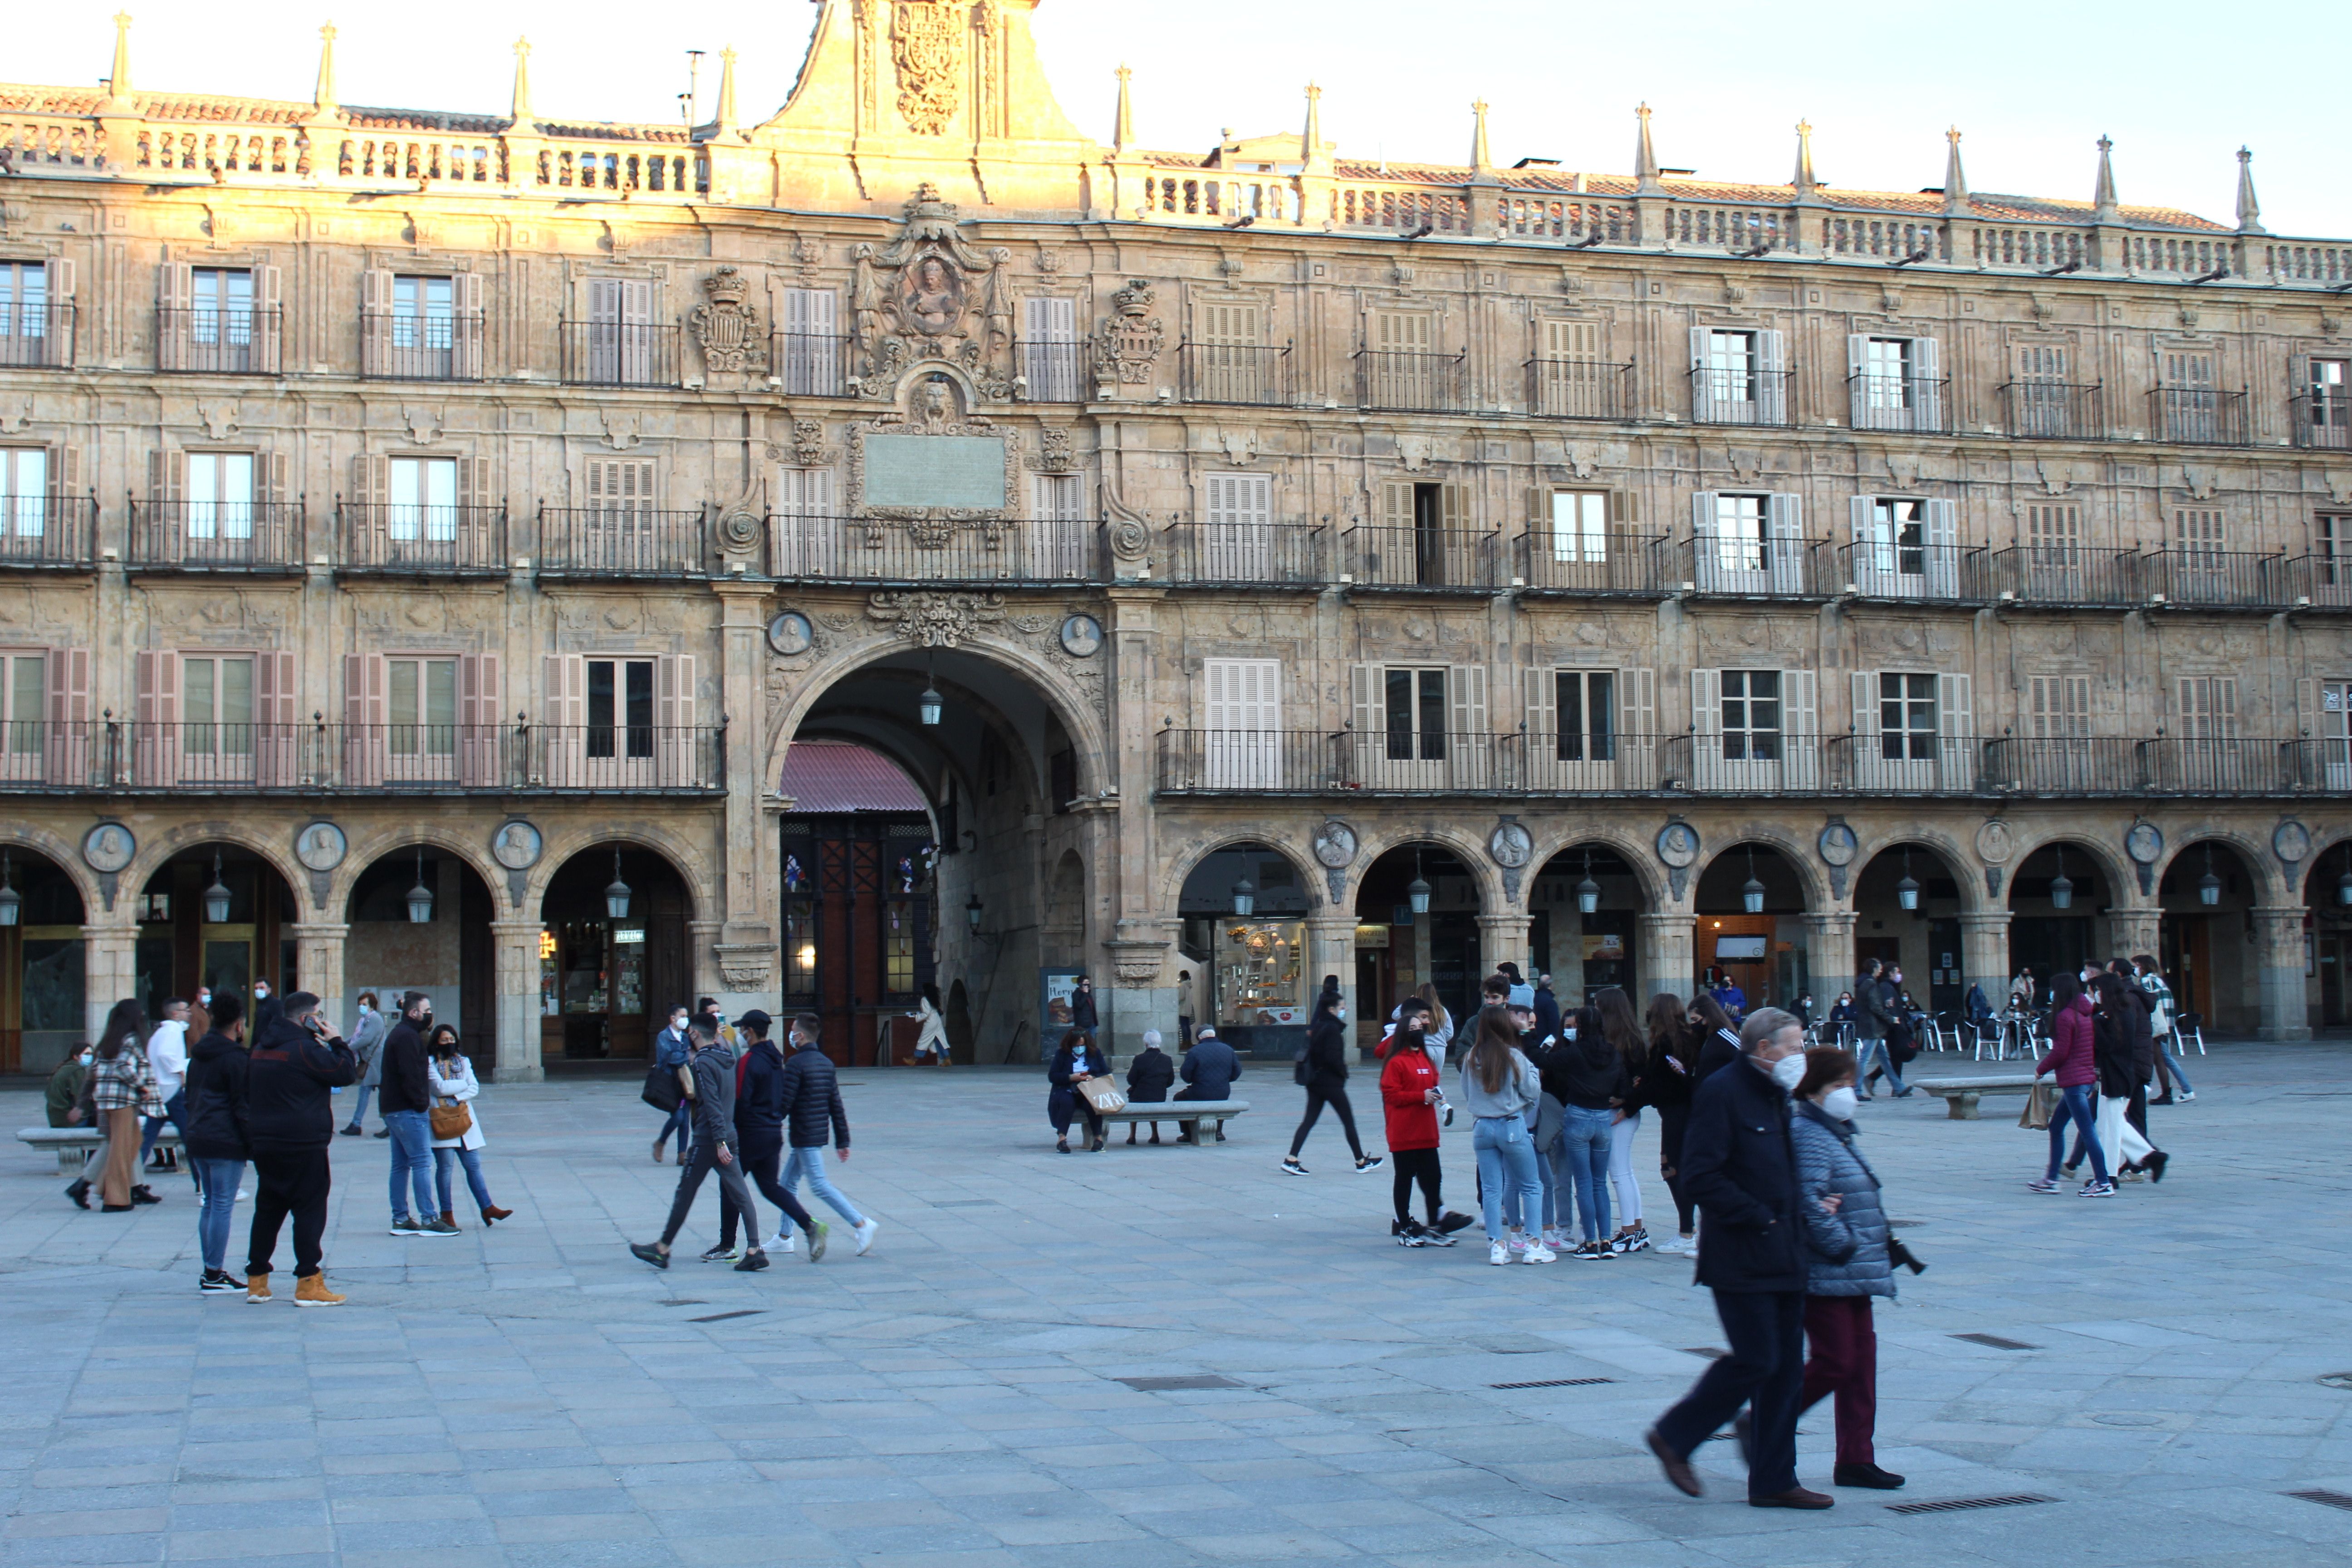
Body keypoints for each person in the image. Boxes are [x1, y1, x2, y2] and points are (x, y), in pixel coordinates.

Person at [1644, 1006, 1832, 1510]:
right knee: (1757, 1358)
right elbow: (1701, 1174)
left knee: (1786, 1370)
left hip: (1787, 1252)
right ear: (1765, 1049)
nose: (1802, 1054)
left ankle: (1775, 1479)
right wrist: (1761, 1217)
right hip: (1743, 1254)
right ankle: (1675, 1436)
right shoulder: (1724, 1091)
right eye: (1795, 1046)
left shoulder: (1780, 1095)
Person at [1787, 1046, 1906, 1491]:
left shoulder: (1835, 1130)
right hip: (1829, 1269)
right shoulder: (1809, 1133)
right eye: (1839, 1085)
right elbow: (1810, 1204)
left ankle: (1857, 1457)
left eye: (1850, 1084)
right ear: (1815, 1088)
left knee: (1861, 1366)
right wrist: (1842, 1246)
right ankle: (1769, 1417)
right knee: (1836, 1361)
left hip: (1856, 1269)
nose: (1848, 1093)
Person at [240, 992, 360, 1304]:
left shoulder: (261, 1049)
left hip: (265, 1141)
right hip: (303, 1142)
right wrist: (336, 1041)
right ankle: (308, 1281)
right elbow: (345, 1073)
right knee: (309, 1209)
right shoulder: (305, 1049)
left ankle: (257, 1281)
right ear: (307, 1018)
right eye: (318, 1015)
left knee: (268, 1209)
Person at [630, 1016, 769, 1271]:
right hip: (730, 1134)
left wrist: (718, 1142)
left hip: (710, 1140)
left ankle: (662, 1249)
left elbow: (713, 1103)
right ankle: (754, 1248)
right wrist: (725, 1138)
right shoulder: (728, 1057)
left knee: (685, 1192)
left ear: (693, 1034)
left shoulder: (704, 1062)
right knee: (740, 1193)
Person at [714, 1011, 827, 1263]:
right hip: (772, 1132)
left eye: (742, 1030)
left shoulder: (749, 1061)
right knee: (770, 1187)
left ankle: (727, 1245)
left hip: (750, 1133)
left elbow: (741, 1100)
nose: (741, 1034)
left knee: (729, 1183)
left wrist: (731, 1132)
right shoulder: (777, 1059)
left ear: (750, 1032)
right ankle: (809, 1225)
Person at [776, 1014, 879, 1253]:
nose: (790, 1034)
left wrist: (765, 1122)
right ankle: (784, 1236)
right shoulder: (825, 1063)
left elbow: (784, 1103)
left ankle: (861, 1224)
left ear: (800, 1036)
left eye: (793, 1030)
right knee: (787, 1184)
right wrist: (843, 1141)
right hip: (815, 1133)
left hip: (805, 1135)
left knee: (820, 1185)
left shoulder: (795, 1064)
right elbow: (836, 1104)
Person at [1460, 1005, 1551, 1265]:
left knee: (1491, 1189)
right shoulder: (1514, 1056)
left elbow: (1468, 1092)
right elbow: (1532, 1091)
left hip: (1482, 1126)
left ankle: (1497, 1245)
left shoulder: (1471, 1057)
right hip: (1511, 1123)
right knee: (1531, 1185)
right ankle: (1534, 1244)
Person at [1379, 1005, 1473, 1245]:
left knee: (1434, 1177)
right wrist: (1420, 1096)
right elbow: (1391, 1095)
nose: (1417, 1032)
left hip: (1427, 1130)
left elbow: (1434, 1085)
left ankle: (1434, 1224)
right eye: (1412, 1029)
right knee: (1405, 1178)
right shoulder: (1396, 1062)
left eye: (1420, 1028)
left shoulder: (1426, 1058)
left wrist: (1441, 1101)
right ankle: (1405, 1227)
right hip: (1404, 1131)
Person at [181, 995, 251, 1293]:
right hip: (225, 1140)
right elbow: (243, 1106)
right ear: (238, 1025)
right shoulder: (236, 1059)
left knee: (211, 1204)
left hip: (198, 1135)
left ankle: (210, 1269)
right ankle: (214, 1273)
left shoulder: (198, 1055)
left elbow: (189, 1097)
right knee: (222, 1204)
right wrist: (254, 1143)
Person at [1548, 1003, 1628, 1260]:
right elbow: (1625, 1087)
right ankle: (1606, 1240)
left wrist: (1529, 1038)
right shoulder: (1614, 1054)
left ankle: (1590, 1242)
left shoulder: (1576, 1052)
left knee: (1582, 1183)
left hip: (1579, 1114)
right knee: (1599, 1183)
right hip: (1603, 1117)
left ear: (1580, 1027)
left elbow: (1546, 1062)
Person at [2029, 973, 2112, 1196]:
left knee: (2088, 1132)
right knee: (2057, 1127)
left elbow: (2061, 1051)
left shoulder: (2065, 1017)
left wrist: (2041, 1069)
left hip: (2074, 1082)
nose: (2052, 994)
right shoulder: (2083, 1014)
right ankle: (2052, 1178)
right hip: (2083, 1079)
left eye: (2054, 990)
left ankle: (2103, 1182)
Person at [2082, 972, 2169, 1184]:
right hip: (2115, 1075)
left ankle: (2109, 1176)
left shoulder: (2120, 1014)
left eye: (2098, 991)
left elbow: (2110, 1045)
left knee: (2111, 1128)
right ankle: (2150, 1156)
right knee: (2110, 1125)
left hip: (2119, 1076)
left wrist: (2096, 1024)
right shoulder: (2111, 1013)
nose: (2096, 996)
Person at [380, 991, 453, 1237]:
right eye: (427, 1009)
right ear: (414, 1013)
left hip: (395, 1109)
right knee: (422, 1162)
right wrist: (421, 1104)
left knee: (400, 1165)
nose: (430, 1014)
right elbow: (411, 1075)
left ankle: (400, 1218)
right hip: (407, 1110)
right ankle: (429, 1218)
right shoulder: (408, 1037)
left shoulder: (402, 1034)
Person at [1283, 992, 1380, 1176]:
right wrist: (1343, 1074)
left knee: (1309, 1121)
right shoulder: (1332, 1029)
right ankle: (1360, 1161)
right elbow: (1333, 1058)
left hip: (1315, 1082)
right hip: (1330, 1083)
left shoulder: (1319, 1025)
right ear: (1332, 1009)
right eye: (1342, 1007)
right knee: (1348, 1121)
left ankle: (1291, 1159)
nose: (1346, 1010)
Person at [426, 1025, 512, 1228]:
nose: (449, 1043)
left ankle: (487, 1207)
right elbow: (438, 1088)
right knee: (445, 1169)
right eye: (444, 1040)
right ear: (436, 1042)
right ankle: (447, 1213)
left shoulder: (464, 1062)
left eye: (451, 1039)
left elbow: (474, 1087)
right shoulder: (429, 1063)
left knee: (474, 1166)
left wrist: (456, 1095)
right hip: (443, 1119)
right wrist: (461, 1086)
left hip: (464, 1120)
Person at [88, 1001, 160, 1212]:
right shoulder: (132, 1040)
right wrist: (142, 1087)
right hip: (124, 1101)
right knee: (121, 1149)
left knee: (133, 1142)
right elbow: (123, 1066)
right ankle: (116, 1200)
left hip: (107, 1100)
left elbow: (96, 1068)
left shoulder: (111, 1039)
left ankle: (105, 1187)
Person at [1597, 987, 1654, 1254]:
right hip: (1625, 1112)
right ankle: (1636, 1229)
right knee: (1625, 1173)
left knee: (1619, 1173)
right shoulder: (1632, 1039)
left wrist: (1625, 1102)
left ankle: (1630, 1231)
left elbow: (1639, 1081)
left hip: (1620, 1114)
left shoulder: (1624, 1042)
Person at [1643, 994, 1700, 1257]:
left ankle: (1687, 1232)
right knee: (1677, 1169)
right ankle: (1688, 1230)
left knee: (1673, 1169)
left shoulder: (1665, 1042)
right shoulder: (1689, 1038)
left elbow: (1659, 1082)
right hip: (1684, 1112)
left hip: (1676, 1114)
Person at [2132, 955, 2194, 1103]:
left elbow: (2148, 1004)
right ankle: (2186, 1090)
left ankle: (2176, 1092)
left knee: (2160, 1059)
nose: (2134, 970)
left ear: (2143, 967)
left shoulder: (2148, 982)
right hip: (2164, 1025)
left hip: (2155, 1027)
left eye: (2136, 966)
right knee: (2164, 1058)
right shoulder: (2159, 980)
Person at [141, 999, 191, 1175]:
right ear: (175, 1014)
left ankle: (131, 1181)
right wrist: (180, 1072)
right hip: (172, 1091)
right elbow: (165, 1054)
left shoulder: (160, 1032)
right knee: (190, 1137)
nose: (189, 1013)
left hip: (161, 1092)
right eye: (185, 1010)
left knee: (147, 1138)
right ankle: (202, 1183)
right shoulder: (173, 1030)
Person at [1048, 1027, 1112, 1154]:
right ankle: (1062, 1139)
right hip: (1068, 1088)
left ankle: (1098, 1139)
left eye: (1082, 1045)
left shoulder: (1094, 1053)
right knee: (1067, 1102)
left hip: (1088, 1089)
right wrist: (1070, 1077)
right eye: (1076, 1045)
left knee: (1092, 1104)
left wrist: (1092, 1077)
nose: (1079, 1048)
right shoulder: (1062, 1054)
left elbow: (1105, 1073)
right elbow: (1053, 1076)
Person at [1174, 1025, 1240, 1143]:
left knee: (1179, 1098)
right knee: (1220, 1101)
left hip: (1200, 1092)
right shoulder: (1228, 1050)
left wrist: (1194, 1080)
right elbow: (1237, 1071)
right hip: (1223, 1091)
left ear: (1200, 1038)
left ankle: (1187, 1133)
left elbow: (1186, 1075)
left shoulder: (1194, 1052)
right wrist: (1225, 1080)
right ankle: (1218, 1132)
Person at [651, 1005, 693, 1165]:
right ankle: (661, 1142)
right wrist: (687, 1055)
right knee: (678, 1116)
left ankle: (682, 1153)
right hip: (669, 1082)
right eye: (682, 1016)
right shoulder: (664, 1036)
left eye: (686, 1016)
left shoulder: (685, 1037)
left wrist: (685, 1055)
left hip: (685, 1082)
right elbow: (669, 1058)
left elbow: (685, 1056)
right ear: (673, 1018)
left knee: (685, 1119)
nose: (685, 1019)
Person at [340, 992, 386, 1136]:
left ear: (372, 1005)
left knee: (367, 1091)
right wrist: (342, 1044)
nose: (362, 1007)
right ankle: (389, 1124)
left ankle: (357, 1124)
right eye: (360, 1004)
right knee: (378, 1093)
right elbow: (356, 1038)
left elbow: (365, 1039)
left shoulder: (374, 1019)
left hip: (375, 1062)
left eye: (365, 1004)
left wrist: (346, 1048)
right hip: (372, 1061)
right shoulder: (365, 1020)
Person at [1124, 1029, 1175, 1144]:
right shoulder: (1167, 1060)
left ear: (1146, 1044)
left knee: (1133, 1099)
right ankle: (1155, 1134)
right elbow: (1171, 1081)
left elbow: (1131, 1080)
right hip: (1159, 1096)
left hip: (1140, 1096)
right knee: (1152, 1100)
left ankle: (1132, 1136)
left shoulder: (1139, 1059)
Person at [1690, 992, 1743, 1083]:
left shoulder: (1725, 1036)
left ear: (1707, 1017)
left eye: (1695, 1020)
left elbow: (1746, 1059)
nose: (1692, 1025)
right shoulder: (1708, 1038)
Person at [46, 1043, 91, 1128]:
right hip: (70, 1119)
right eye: (87, 1054)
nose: (90, 1057)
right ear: (76, 1056)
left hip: (56, 1118)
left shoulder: (65, 1068)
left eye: (91, 1054)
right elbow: (81, 1096)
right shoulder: (77, 1071)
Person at [909, 981, 951, 1066]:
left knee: (923, 1040)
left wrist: (916, 1016)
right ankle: (947, 1059)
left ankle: (914, 1059)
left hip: (931, 1022)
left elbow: (926, 1014)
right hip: (937, 1020)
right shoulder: (933, 998)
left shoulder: (924, 1000)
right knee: (940, 1039)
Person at [1068, 974, 1098, 1048]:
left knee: (1091, 1044)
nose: (1087, 985)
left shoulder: (1089, 994)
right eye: (1085, 983)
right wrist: (1085, 994)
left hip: (1092, 1023)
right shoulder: (1076, 994)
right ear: (1080, 984)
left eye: (1088, 983)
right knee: (1082, 1043)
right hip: (1083, 1025)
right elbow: (1079, 1005)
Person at [1532, 973, 1562, 1044]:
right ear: (1551, 985)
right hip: (1547, 1041)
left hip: (1536, 1038)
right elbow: (1555, 1024)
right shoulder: (1550, 1002)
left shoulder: (1534, 998)